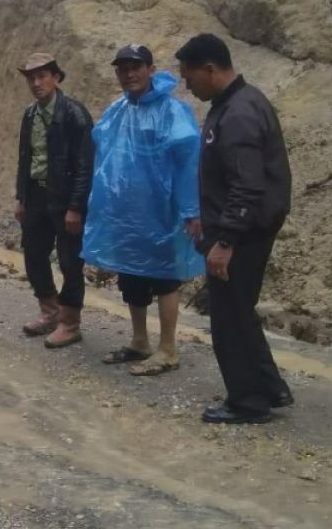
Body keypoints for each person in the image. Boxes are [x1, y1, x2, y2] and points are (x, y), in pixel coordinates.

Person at [176, 33, 294, 424]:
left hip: (243, 234)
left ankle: (247, 401)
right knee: (240, 311)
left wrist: (225, 240)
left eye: (189, 75)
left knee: (227, 318)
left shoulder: (239, 113)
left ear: (210, 69)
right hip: (245, 228)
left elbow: (247, 184)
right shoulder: (237, 104)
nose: (186, 84)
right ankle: (269, 386)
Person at [82, 44, 202, 376]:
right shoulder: (117, 110)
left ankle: (167, 349)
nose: (130, 74)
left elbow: (188, 162)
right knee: (131, 275)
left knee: (165, 277)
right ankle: (139, 341)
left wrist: (190, 209)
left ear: (151, 69)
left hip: (162, 212)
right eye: (123, 68)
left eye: (136, 67)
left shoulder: (172, 110)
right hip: (126, 214)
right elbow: (104, 161)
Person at [14, 53, 93, 348]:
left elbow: (85, 165)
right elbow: (25, 158)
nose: (36, 83)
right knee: (34, 253)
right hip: (36, 193)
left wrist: (76, 206)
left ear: (56, 77)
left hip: (65, 197)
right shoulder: (30, 115)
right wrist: (21, 197)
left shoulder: (75, 114)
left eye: (42, 76)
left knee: (70, 260)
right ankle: (50, 312)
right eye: (31, 78)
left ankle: (70, 323)